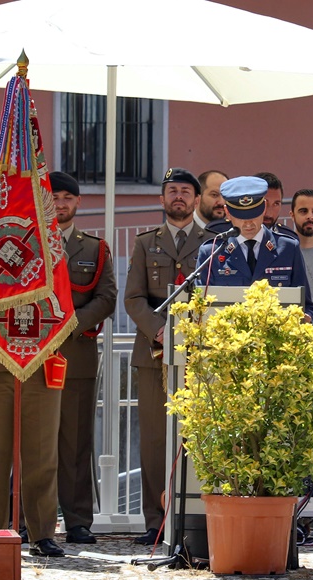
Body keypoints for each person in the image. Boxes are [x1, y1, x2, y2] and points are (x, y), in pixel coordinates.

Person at [0, 183, 65, 558]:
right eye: (0, 190)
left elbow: (57, 285)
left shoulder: (50, 242)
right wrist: (23, 272)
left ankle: (41, 533)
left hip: (38, 358)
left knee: (41, 453)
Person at [124, 167, 207, 545]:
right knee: (156, 440)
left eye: (186, 192)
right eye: (172, 191)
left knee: (196, 435)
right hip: (153, 351)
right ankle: (155, 520)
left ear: (197, 199)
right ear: (161, 199)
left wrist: (187, 331)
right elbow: (133, 297)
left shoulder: (211, 242)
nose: (179, 197)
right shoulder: (145, 243)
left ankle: (193, 516)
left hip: (198, 351)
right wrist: (159, 329)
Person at [49, 172, 117, 545]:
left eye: (67, 198)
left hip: (77, 353)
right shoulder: (29, 243)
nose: (61, 204)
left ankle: (77, 520)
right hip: (34, 353)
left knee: (76, 442)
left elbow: (106, 297)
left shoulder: (95, 249)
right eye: (54, 197)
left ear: (78, 203)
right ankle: (32, 518)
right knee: (34, 442)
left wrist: (71, 324)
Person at [195, 176, 313, 322]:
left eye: (254, 215)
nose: (249, 223)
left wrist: (306, 318)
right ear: (227, 212)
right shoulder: (212, 252)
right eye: (241, 217)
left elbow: (308, 306)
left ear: (264, 207)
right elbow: (199, 308)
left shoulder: (288, 248)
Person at [254, 171, 297, 241]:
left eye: (276, 204)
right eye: (264, 203)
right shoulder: (231, 237)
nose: (269, 213)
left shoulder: (289, 240)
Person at [194, 170, 232, 235]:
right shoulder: (184, 227)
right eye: (214, 195)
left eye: (225, 196)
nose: (222, 202)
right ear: (198, 196)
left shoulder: (233, 231)